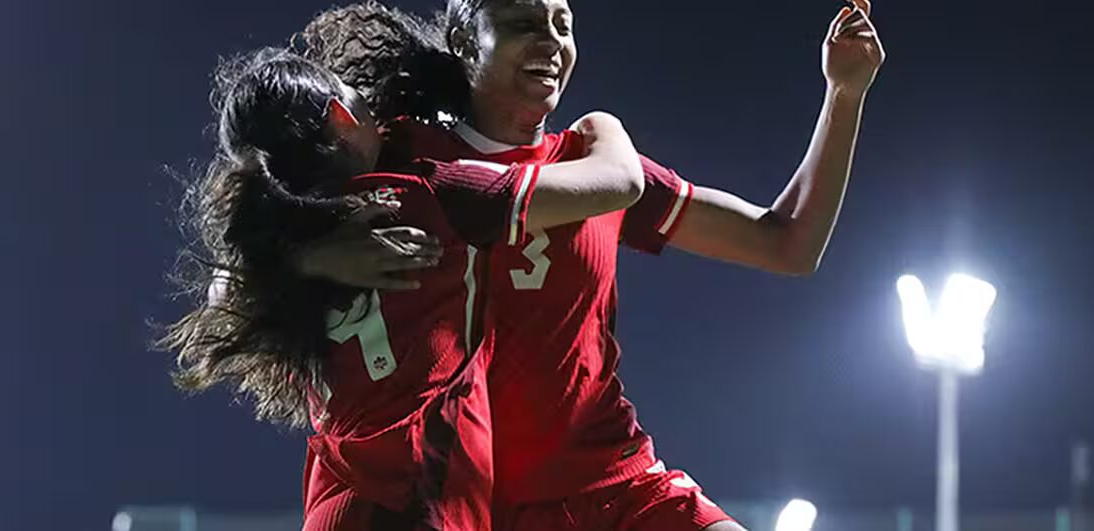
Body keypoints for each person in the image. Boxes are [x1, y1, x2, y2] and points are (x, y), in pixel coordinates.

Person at [300, 0, 886, 529]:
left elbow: (787, 244)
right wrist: (310, 253)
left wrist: (845, 94)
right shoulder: (398, 158)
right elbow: (234, 278)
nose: (550, 42)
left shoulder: (594, 168)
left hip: (614, 488)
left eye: (563, 25)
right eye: (523, 23)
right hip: (465, 505)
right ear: (462, 37)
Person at [160, 41, 648, 530]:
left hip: (337, 496)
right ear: (340, 115)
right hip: (418, 489)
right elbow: (618, 182)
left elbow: (225, 288)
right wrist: (604, 127)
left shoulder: (278, 249)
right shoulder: (428, 194)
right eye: (357, 95)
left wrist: (312, 258)